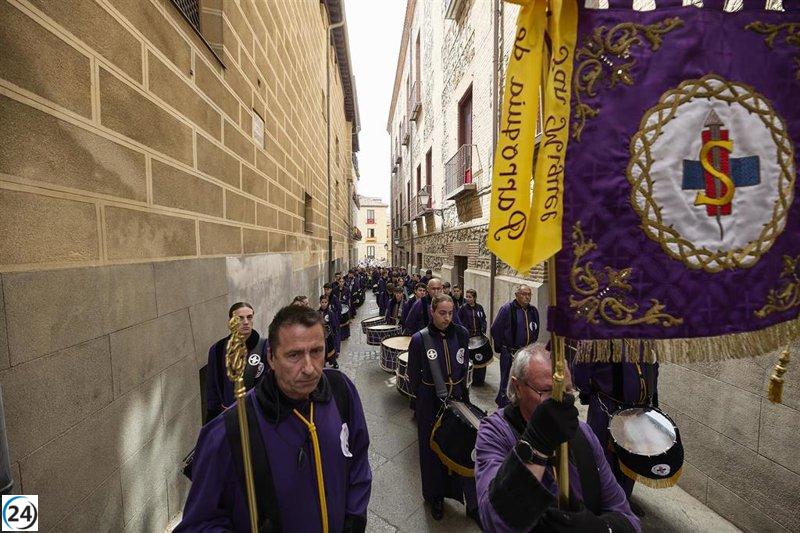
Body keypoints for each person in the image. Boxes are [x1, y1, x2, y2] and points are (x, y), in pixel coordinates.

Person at [178, 305, 372, 532]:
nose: (309, 368)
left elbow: (359, 458)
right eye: (294, 355)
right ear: (271, 357)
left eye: (316, 351)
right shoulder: (229, 430)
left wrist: (354, 519)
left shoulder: (341, 390)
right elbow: (199, 524)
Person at [474, 344, 640, 533]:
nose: (560, 401)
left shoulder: (584, 434)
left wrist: (599, 528)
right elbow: (496, 522)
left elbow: (626, 517)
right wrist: (536, 443)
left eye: (567, 391)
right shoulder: (495, 433)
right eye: (547, 391)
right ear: (518, 387)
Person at [407, 294, 479, 524]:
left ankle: (473, 502)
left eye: (450, 313)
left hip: (458, 399)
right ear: (432, 312)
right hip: (430, 403)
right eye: (442, 313)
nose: (447, 318)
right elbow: (412, 376)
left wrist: (462, 394)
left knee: (465, 447)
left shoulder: (462, 334)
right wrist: (424, 400)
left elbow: (463, 365)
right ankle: (435, 497)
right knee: (431, 451)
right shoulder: (420, 339)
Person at [573, 353, 659, 502]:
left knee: (631, 461)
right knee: (604, 461)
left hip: (637, 413)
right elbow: (581, 369)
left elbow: (653, 367)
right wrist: (589, 392)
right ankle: (600, 503)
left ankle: (623, 500)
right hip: (607, 409)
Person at [205, 302, 269, 423]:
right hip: (228, 415)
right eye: (240, 318)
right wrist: (213, 414)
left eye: (249, 317)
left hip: (258, 415)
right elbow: (212, 385)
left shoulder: (265, 347)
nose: (246, 322)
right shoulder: (217, 349)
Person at [491, 284, 540, 408]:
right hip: (510, 353)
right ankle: (503, 407)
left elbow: (536, 329)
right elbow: (495, 329)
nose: (527, 297)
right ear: (516, 295)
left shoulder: (533, 311)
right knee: (507, 381)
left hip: (526, 354)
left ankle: (519, 405)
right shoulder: (507, 309)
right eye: (524, 294)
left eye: (529, 294)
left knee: (523, 381)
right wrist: (503, 347)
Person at [458, 289, 488, 386]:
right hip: (468, 338)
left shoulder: (479, 308)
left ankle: (480, 379)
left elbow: (483, 320)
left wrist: (483, 328)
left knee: (480, 358)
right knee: (470, 359)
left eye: (470, 297)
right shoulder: (463, 308)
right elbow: (458, 322)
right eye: (467, 297)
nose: (468, 299)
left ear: (474, 298)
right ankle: (470, 379)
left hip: (479, 337)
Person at [319, 295, 340, 369]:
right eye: (322, 302)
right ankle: (323, 362)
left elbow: (334, 324)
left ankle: (334, 362)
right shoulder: (317, 313)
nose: (324, 304)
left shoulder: (330, 313)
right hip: (321, 335)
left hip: (329, 335)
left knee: (331, 349)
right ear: (320, 303)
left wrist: (334, 333)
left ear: (328, 303)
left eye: (325, 302)